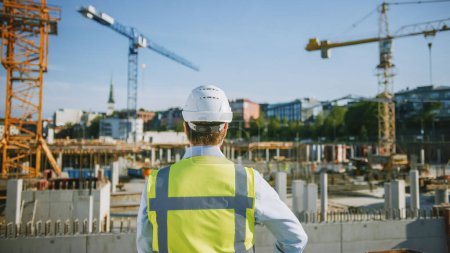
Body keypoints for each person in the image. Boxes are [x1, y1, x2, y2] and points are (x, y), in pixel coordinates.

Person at [137, 85, 308, 253]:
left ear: (185, 127)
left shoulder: (157, 182)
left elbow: (144, 246)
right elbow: (295, 238)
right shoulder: (248, 181)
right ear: (225, 128)